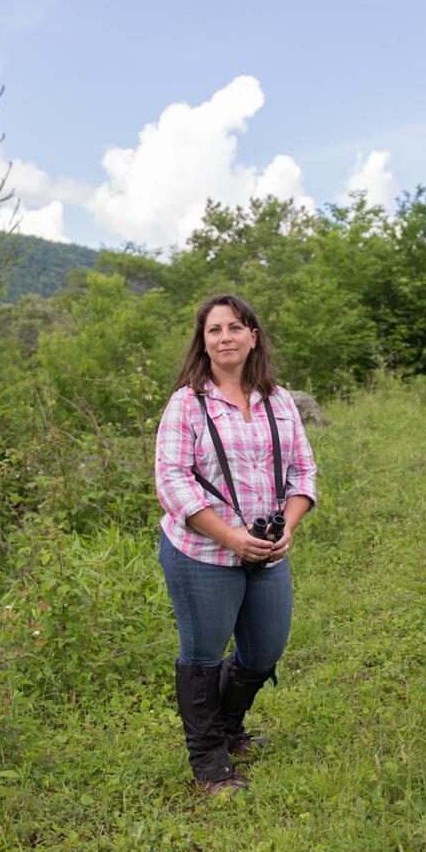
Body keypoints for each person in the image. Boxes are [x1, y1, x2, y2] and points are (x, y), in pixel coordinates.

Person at [154, 293, 318, 794]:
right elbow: (171, 479)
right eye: (214, 330)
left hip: (268, 549)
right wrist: (232, 538)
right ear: (203, 344)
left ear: (253, 337)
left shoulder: (281, 400)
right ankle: (209, 762)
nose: (225, 337)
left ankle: (228, 728)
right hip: (202, 552)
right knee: (203, 653)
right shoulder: (188, 403)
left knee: (265, 649)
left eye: (234, 328)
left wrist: (287, 526)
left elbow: (303, 471)